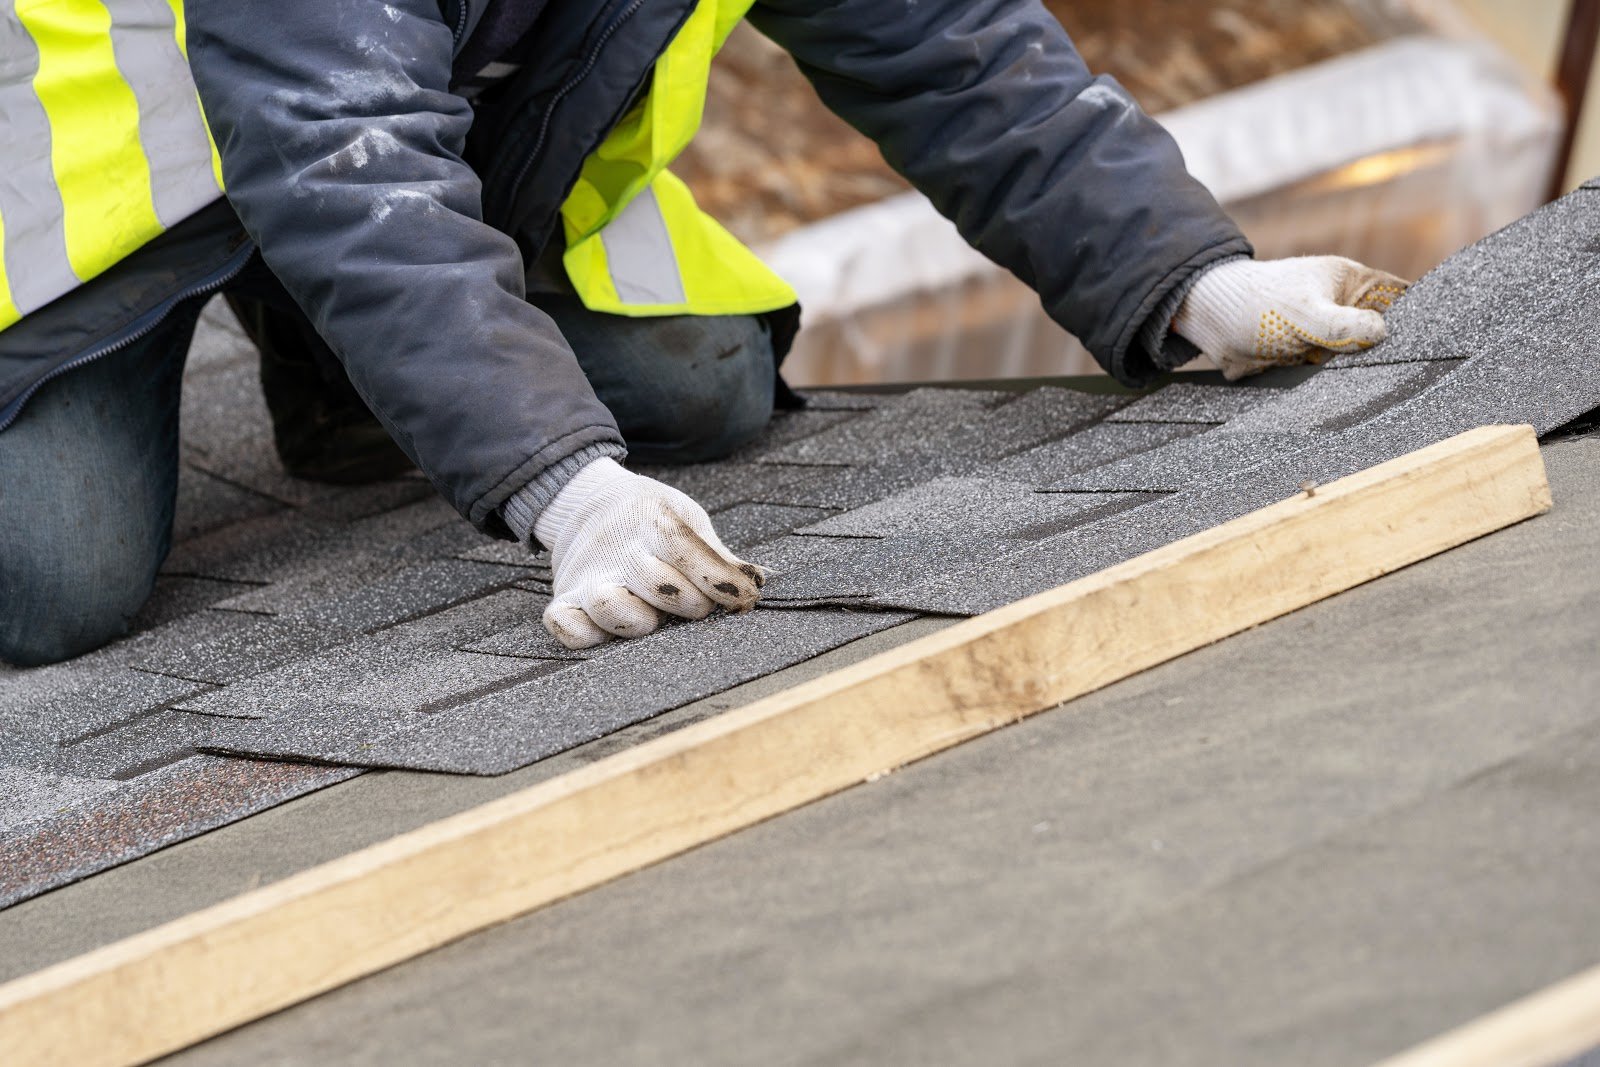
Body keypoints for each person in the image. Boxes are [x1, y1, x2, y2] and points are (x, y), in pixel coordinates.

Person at [0, 0, 1405, 666]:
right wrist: (564, 491)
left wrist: (1180, 279)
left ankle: (334, 356)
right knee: (50, 577)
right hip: (101, 211)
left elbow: (948, 43)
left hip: (363, 154)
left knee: (700, 387)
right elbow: (337, 151)